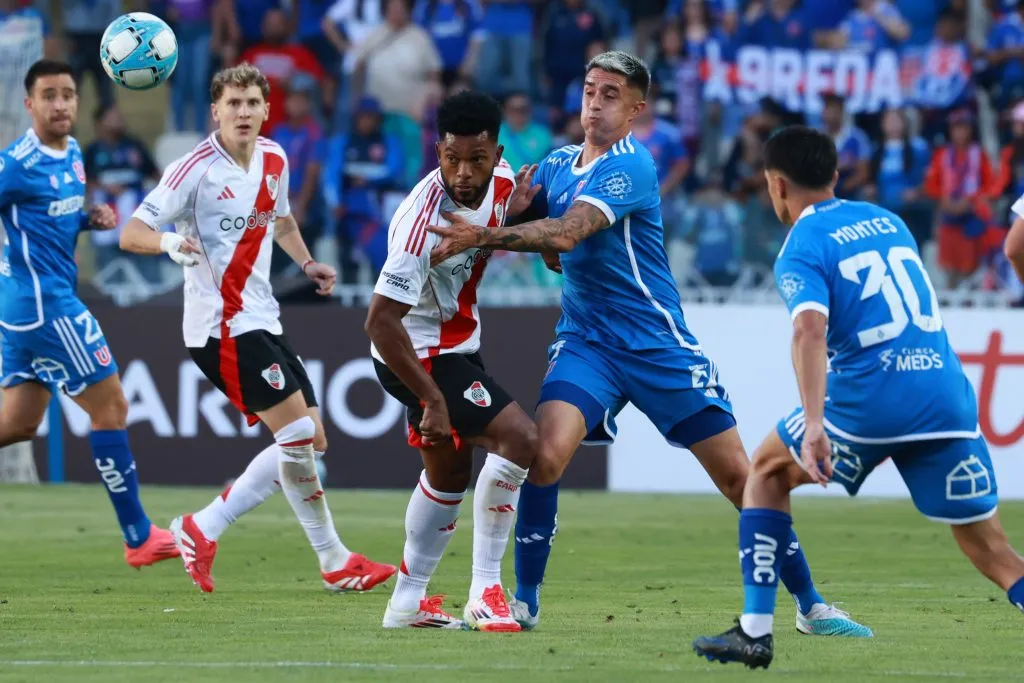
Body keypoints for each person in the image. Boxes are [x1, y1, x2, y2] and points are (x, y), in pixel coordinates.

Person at [426, 51, 869, 638]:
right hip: (587, 344)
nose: (594, 104)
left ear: (636, 110)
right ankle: (524, 601)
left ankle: (812, 606)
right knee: (545, 454)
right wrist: (510, 218)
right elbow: (552, 243)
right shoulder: (557, 164)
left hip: (659, 346)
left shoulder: (632, 167)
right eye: (589, 90)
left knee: (743, 480)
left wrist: (494, 235)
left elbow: (569, 231)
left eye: (611, 95)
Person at [692, 126, 1024, 669]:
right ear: (836, 176)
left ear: (775, 185)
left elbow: (809, 332)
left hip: (869, 398)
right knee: (993, 551)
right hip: (945, 396)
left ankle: (754, 631)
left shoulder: (801, 245)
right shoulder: (889, 221)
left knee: (768, 470)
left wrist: (816, 425)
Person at [119, 63, 396, 594]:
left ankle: (207, 529)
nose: (243, 112)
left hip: (262, 315)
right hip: (219, 326)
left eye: (252, 103)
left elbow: (282, 218)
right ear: (215, 112)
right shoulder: (192, 170)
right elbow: (133, 230)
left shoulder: (274, 157)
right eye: (233, 104)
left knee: (311, 443)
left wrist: (307, 261)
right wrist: (170, 244)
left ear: (266, 109)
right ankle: (328, 559)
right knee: (293, 435)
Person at [365, 90, 541, 631]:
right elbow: (379, 322)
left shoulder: (507, 182)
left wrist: (529, 222)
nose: (463, 173)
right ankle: (486, 591)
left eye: (476, 160)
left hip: (456, 343)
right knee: (521, 439)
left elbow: (516, 213)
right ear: (436, 151)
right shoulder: (421, 221)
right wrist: (431, 398)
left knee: (449, 476)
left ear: (496, 153)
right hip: (413, 352)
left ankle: (407, 602)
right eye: (451, 159)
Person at [0, 59, 179, 568]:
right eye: (49, 95)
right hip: (46, 308)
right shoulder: (15, 164)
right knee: (112, 408)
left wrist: (86, 219)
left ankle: (138, 534)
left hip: (26, 308)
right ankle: (138, 535)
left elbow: (43, 218)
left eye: (68, 94)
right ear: (29, 103)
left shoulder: (75, 153)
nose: (60, 104)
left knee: (17, 423)